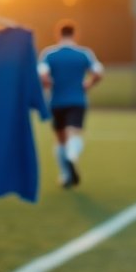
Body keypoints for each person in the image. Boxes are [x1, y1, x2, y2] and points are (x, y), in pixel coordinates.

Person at [37, 19, 103, 188]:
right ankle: (72, 156)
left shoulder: (49, 54)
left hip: (56, 101)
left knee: (60, 139)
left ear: (58, 34)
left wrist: (49, 84)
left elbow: (43, 76)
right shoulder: (84, 53)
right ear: (75, 34)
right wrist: (87, 85)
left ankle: (65, 175)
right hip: (77, 100)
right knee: (74, 133)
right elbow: (98, 72)